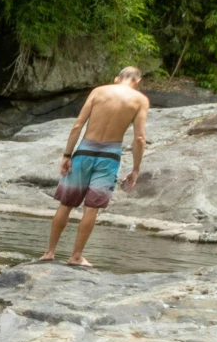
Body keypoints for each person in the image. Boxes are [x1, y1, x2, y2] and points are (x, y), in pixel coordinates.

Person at [42, 66, 150, 267]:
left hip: (84, 152)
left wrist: (67, 155)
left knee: (65, 204)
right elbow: (140, 138)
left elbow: (77, 125)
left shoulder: (99, 91)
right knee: (91, 209)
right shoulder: (140, 100)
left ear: (117, 78)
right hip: (109, 157)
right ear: (137, 81)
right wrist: (136, 169)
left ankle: (49, 252)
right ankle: (76, 256)